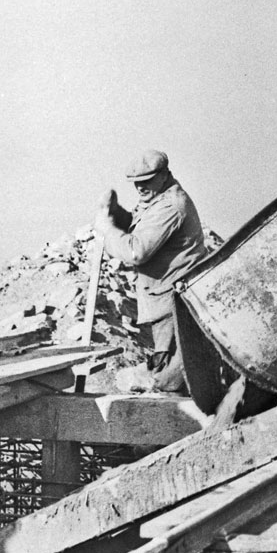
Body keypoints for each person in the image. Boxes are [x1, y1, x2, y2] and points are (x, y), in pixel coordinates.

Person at [94, 149, 207, 394]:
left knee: (172, 374)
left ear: (164, 175)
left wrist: (108, 231)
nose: (140, 187)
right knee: (168, 363)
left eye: (146, 181)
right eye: (136, 183)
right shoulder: (157, 198)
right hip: (164, 297)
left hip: (176, 301)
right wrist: (116, 213)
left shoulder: (170, 206)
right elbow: (139, 226)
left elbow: (137, 251)